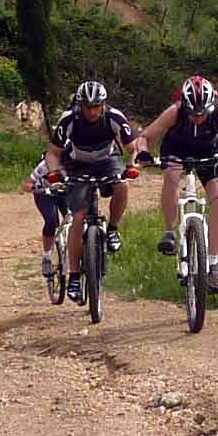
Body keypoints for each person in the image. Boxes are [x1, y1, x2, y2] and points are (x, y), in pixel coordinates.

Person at [130, 74, 218, 294]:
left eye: (202, 113)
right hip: (176, 150)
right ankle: (169, 232)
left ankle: (213, 262)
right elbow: (145, 137)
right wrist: (145, 152)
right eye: (192, 113)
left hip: (208, 154)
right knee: (172, 175)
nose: (197, 118)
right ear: (184, 105)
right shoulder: (174, 112)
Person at [45, 80, 135, 304]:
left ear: (103, 104)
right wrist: (55, 172)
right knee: (78, 217)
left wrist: (133, 164)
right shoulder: (69, 120)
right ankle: (74, 277)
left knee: (122, 184)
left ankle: (113, 229)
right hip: (78, 164)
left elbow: (133, 148)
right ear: (80, 105)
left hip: (108, 161)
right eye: (87, 106)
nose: (92, 111)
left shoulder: (114, 118)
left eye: (97, 106)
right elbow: (53, 153)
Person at [22, 152, 67, 277]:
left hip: (64, 193)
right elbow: (26, 185)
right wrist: (37, 190)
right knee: (51, 221)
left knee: (75, 218)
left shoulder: (75, 163)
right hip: (45, 194)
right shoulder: (44, 166)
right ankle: (47, 257)